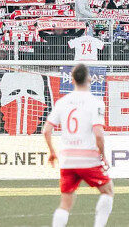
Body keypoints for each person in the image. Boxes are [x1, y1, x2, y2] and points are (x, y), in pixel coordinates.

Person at [42, 63, 113, 227]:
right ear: (89, 79)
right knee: (108, 191)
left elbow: (46, 130)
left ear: (72, 79)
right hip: (88, 159)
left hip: (67, 159)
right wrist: (103, 156)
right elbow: (99, 134)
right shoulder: (96, 102)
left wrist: (52, 152)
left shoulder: (62, 102)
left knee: (65, 203)